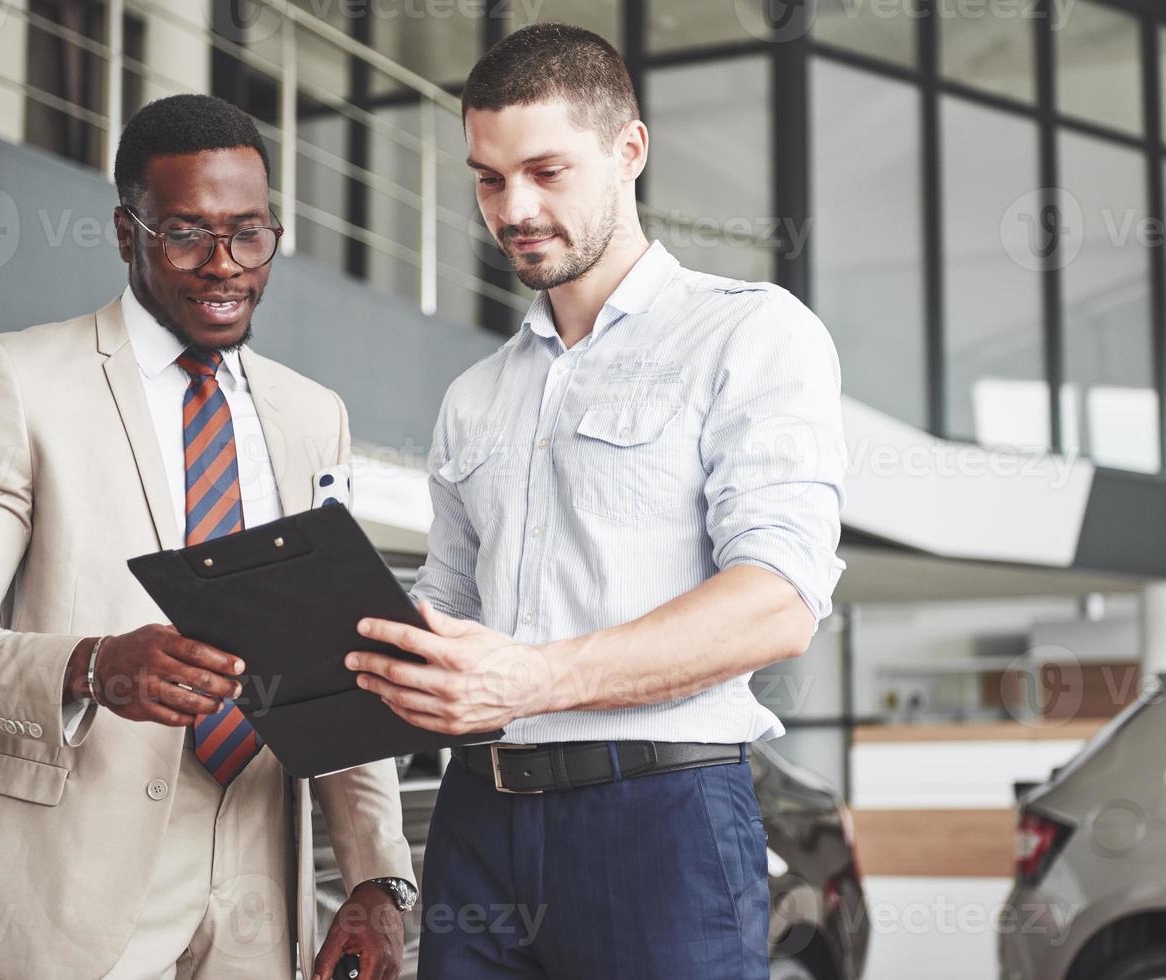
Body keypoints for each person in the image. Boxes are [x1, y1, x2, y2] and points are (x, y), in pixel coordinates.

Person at [345, 23, 847, 980]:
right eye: (488, 179)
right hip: (477, 824)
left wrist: (530, 681)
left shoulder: (749, 335)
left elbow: (778, 600)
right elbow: (450, 611)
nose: (514, 208)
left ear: (629, 152)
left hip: (660, 825)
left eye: (544, 170)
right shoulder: (474, 396)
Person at [0, 94, 415, 980]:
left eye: (250, 234)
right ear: (127, 234)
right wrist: (89, 665)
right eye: (185, 235)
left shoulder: (310, 415)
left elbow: (340, 660)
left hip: (258, 886)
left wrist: (374, 879)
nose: (224, 267)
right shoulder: (20, 380)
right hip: (66, 892)